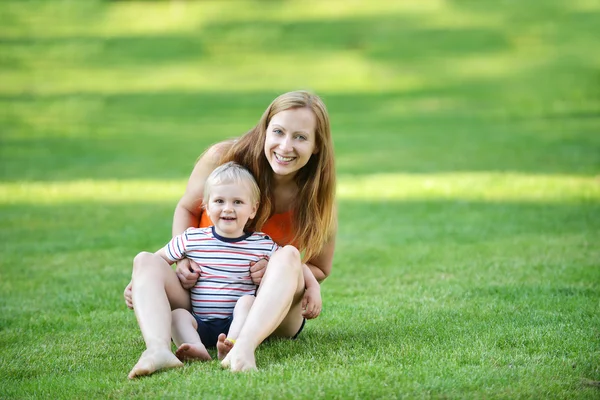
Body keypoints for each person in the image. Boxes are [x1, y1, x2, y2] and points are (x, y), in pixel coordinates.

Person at [124, 90, 337, 377]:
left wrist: (273, 272)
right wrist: (180, 260)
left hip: (265, 308)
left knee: (287, 256)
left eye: (300, 137)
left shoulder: (317, 198)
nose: (286, 146)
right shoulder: (223, 159)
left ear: (316, 146)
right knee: (146, 261)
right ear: (264, 131)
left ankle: (244, 346)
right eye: (278, 132)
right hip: (201, 294)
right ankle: (157, 349)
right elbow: (187, 207)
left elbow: (320, 268)